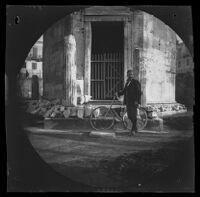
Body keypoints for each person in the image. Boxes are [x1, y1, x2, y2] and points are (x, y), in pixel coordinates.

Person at [116, 70, 142, 135]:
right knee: (129, 116)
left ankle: (133, 130)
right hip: (128, 102)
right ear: (127, 75)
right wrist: (118, 93)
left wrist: (137, 101)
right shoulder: (127, 83)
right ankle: (135, 128)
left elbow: (139, 93)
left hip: (134, 102)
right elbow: (124, 91)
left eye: (132, 74)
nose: (131, 76)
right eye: (129, 75)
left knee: (133, 116)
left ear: (133, 75)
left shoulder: (136, 82)